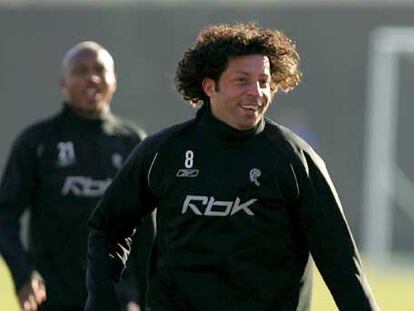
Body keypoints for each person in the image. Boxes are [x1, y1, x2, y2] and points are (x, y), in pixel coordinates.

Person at [85, 23, 380, 311]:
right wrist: (101, 299)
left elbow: (340, 261)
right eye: (242, 81)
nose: (257, 92)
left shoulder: (294, 159)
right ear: (209, 86)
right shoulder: (165, 152)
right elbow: (108, 229)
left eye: (264, 82)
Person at [0, 41, 153, 311]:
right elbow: (5, 214)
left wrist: (141, 296)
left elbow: (146, 232)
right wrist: (24, 275)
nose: (91, 77)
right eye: (80, 70)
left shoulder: (133, 143)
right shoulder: (37, 143)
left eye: (100, 70)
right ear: (63, 82)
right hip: (52, 298)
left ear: (114, 81)